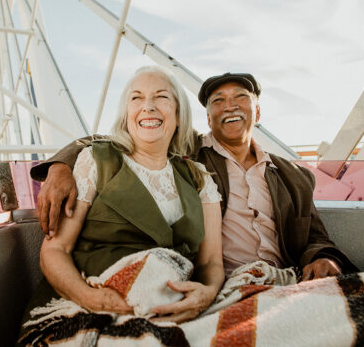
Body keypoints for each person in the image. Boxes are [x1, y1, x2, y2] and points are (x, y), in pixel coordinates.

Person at [31, 72, 358, 281]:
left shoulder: (294, 176)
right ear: (207, 116)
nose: (230, 106)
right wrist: (60, 166)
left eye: (240, 97)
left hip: (288, 278)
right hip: (228, 282)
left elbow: (316, 236)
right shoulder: (190, 155)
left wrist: (324, 258)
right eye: (218, 101)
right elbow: (121, 139)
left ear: (257, 112)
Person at [20, 66, 224, 338]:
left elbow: (211, 262)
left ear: (178, 113)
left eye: (161, 97)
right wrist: (91, 299)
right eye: (136, 98)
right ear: (126, 113)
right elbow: (55, 250)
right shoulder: (96, 161)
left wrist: (207, 293)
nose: (148, 107)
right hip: (92, 305)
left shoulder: (199, 178)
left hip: (175, 309)